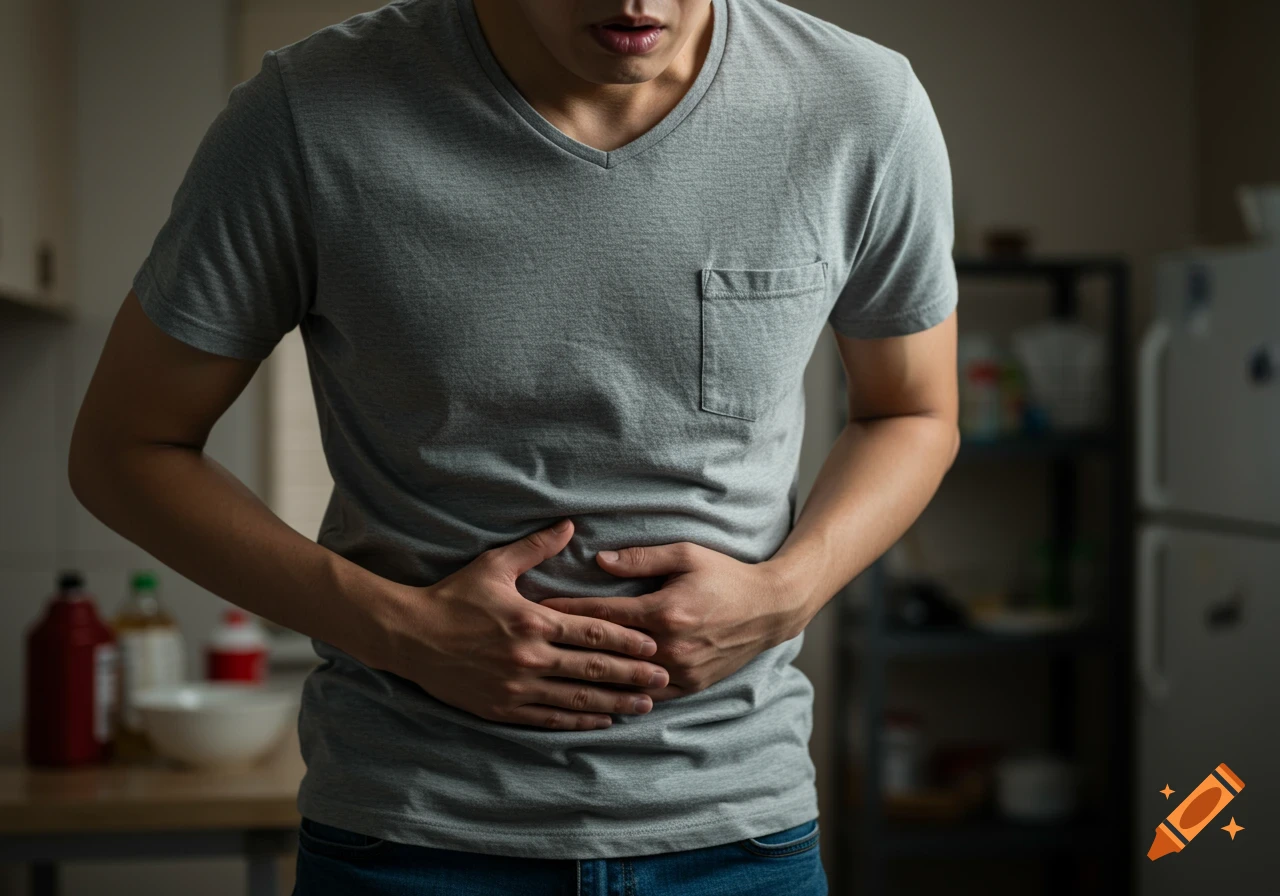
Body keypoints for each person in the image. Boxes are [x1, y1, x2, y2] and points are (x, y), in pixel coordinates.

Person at [68, 0, 960, 893]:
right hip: (409, 836)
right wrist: (406, 633)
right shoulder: (308, 113)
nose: (636, 2)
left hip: (740, 838)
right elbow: (126, 448)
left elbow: (912, 412)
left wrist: (783, 596)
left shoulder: (860, 105)